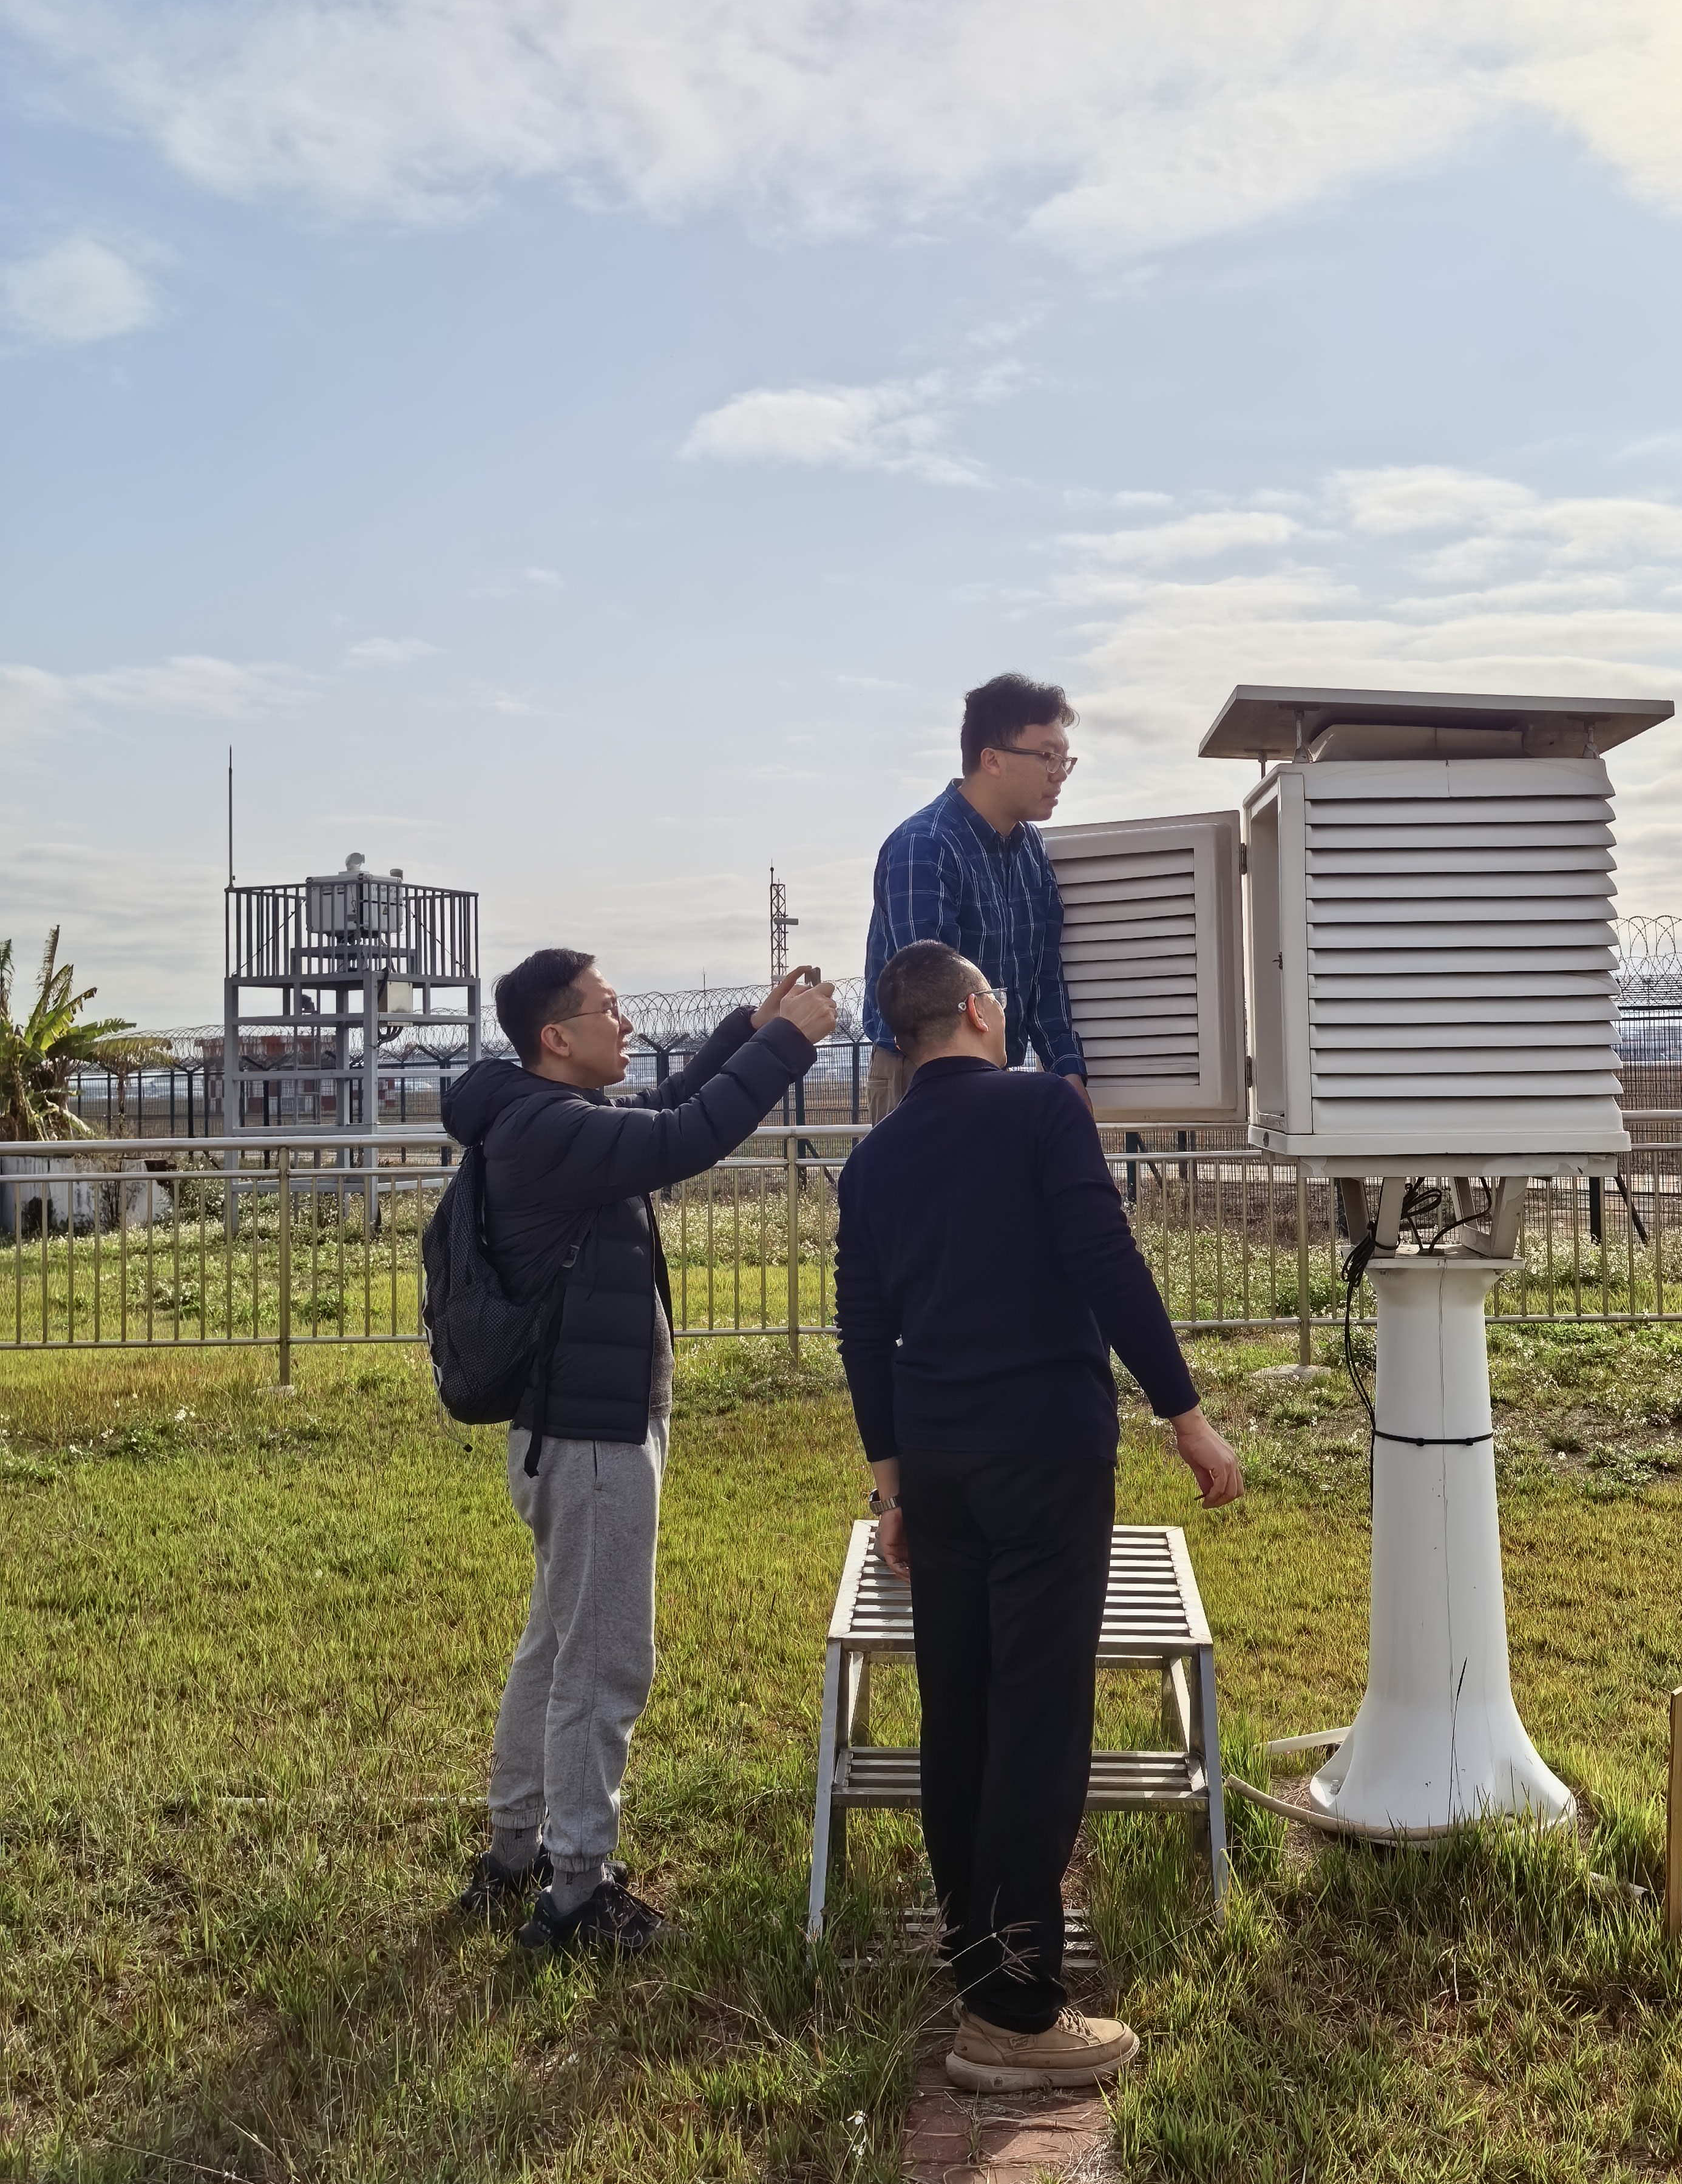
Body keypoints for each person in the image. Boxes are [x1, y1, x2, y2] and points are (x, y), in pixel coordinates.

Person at [835, 940, 1243, 2089]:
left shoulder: (873, 1159)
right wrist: (1187, 1417)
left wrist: (893, 1488)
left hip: (940, 1463)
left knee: (960, 1707)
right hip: (1046, 1456)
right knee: (1037, 1715)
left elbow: (863, 1332)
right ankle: (1014, 2014)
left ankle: (977, 1956)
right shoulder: (1043, 1111)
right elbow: (1107, 1263)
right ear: (976, 1010)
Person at [445, 949, 837, 1952]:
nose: (625, 1025)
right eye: (609, 1008)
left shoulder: (547, 1115)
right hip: (591, 1440)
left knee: (556, 1646)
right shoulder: (547, 1127)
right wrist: (789, 1046)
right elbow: (685, 1136)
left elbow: (663, 1110)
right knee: (603, 1664)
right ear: (555, 1036)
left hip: (577, 1433)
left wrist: (748, 1031)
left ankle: (515, 1849)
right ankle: (576, 1892)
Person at [861, 671, 1089, 1123]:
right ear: (992, 760)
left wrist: (1068, 1072)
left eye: (1065, 759)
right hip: (921, 1075)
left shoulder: (1030, 848)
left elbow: (1045, 976)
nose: (1060, 774)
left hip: (994, 1073)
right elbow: (929, 1004)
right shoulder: (925, 847)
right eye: (1048, 757)